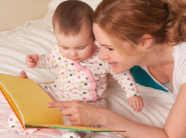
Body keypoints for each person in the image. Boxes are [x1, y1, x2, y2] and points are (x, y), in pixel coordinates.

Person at [46, 0, 186, 137]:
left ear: (144, 42)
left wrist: (101, 116)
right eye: (101, 46)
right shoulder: (140, 50)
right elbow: (89, 76)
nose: (101, 56)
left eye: (110, 48)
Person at [8, 0, 143, 137]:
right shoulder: (58, 51)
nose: (72, 54)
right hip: (60, 91)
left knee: (88, 120)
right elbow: (49, 60)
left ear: (93, 38)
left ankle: (76, 133)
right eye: (65, 47)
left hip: (90, 101)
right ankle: (26, 117)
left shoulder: (101, 57)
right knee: (40, 91)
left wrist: (132, 94)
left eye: (80, 47)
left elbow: (121, 74)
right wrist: (36, 61)